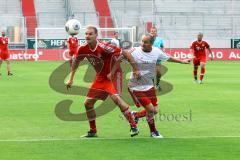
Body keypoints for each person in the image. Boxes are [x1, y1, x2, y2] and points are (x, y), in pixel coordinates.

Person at [108, 34, 190, 138]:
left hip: (149, 86)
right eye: (142, 41)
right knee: (150, 110)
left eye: (145, 42)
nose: (142, 44)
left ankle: (135, 115)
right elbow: (120, 57)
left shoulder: (156, 51)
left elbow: (168, 58)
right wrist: (112, 72)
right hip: (136, 87)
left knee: (155, 111)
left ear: (151, 43)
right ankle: (153, 132)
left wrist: (183, 61)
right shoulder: (135, 51)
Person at [66, 25, 140, 138]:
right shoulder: (82, 48)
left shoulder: (104, 47)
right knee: (88, 103)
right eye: (86, 34)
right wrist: (71, 78)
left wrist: (135, 69)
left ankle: (133, 125)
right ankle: (93, 131)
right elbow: (76, 61)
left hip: (114, 75)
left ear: (96, 35)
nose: (87, 36)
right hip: (100, 78)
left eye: (90, 34)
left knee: (116, 99)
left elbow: (125, 53)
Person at [150, 27, 164, 91]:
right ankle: (152, 86)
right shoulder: (148, 39)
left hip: (158, 58)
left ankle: (157, 84)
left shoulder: (160, 39)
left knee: (158, 73)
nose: (153, 32)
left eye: (154, 31)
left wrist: (162, 51)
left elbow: (162, 46)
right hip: (150, 57)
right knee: (152, 73)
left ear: (156, 32)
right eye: (151, 31)